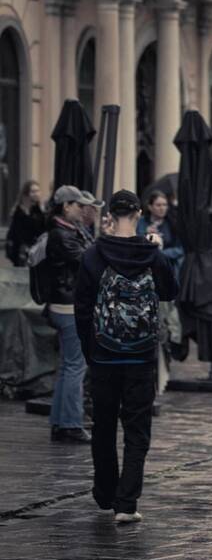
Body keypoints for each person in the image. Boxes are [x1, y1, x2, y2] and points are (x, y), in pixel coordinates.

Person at [73, 190, 178, 523]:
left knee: (103, 426)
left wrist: (90, 349)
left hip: (104, 354)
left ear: (110, 216)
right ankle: (127, 503)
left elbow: (82, 307)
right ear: (138, 214)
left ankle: (105, 494)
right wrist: (158, 249)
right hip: (141, 355)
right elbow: (170, 291)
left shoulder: (93, 254)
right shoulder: (152, 254)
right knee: (137, 430)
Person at [44, 185, 97, 443]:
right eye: (78, 205)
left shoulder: (67, 231)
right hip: (67, 306)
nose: (83, 209)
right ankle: (71, 424)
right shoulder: (62, 235)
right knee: (76, 366)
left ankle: (61, 421)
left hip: (64, 304)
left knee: (68, 366)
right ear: (66, 206)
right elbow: (89, 261)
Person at [137, 190, 184, 276]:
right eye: (158, 205)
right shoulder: (141, 222)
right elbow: (134, 242)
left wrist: (161, 253)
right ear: (150, 207)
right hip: (145, 266)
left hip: (167, 266)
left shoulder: (172, 223)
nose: (162, 208)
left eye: (165, 205)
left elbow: (180, 249)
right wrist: (145, 233)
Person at [6, 180, 47, 266]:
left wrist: (43, 211)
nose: (37, 193)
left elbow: (42, 229)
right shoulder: (19, 211)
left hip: (34, 249)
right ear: (27, 194)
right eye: (33, 191)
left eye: (38, 191)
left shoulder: (38, 209)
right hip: (21, 250)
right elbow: (17, 233)